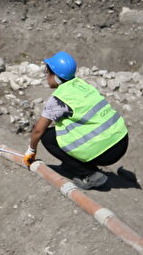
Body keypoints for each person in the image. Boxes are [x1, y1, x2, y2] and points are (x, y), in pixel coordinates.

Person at [23, 51, 129, 190]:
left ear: (56, 76)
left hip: (106, 152)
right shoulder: (82, 85)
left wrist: (31, 151)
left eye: (48, 73)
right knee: (66, 130)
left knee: (48, 137)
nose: (46, 77)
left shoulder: (59, 99)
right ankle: (71, 166)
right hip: (121, 140)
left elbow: (38, 130)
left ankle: (90, 174)